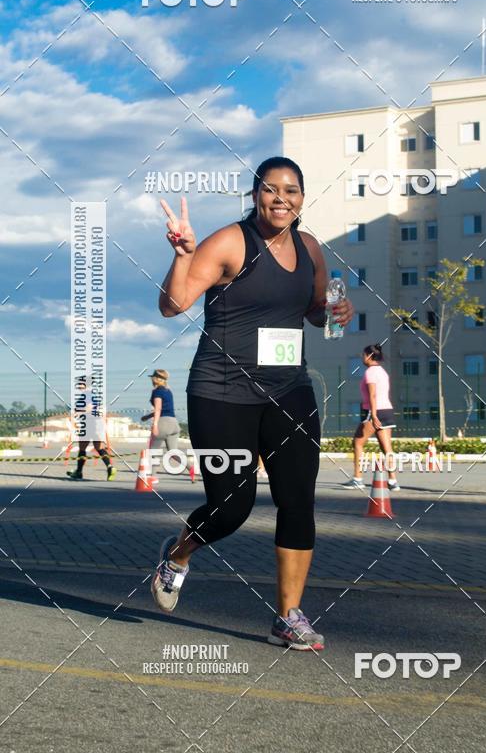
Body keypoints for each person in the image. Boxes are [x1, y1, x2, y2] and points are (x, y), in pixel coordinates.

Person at [150, 157, 354, 650]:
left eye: (292, 190)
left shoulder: (309, 248)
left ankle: (289, 616)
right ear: (255, 194)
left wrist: (333, 310)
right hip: (223, 392)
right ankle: (178, 555)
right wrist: (183, 255)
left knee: (298, 499)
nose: (281, 197)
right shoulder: (230, 242)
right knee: (230, 508)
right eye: (271, 189)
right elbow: (172, 305)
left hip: (289, 389)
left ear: (303, 198)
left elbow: (311, 310)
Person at [343, 344, 398, 491]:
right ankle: (393, 481)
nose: (362, 357)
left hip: (375, 411)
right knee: (387, 448)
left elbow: (373, 395)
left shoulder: (371, 372)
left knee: (358, 442)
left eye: (363, 354)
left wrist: (373, 415)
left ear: (369, 356)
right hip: (387, 409)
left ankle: (357, 479)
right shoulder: (382, 372)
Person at [141, 369, 190, 476]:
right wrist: (147, 416)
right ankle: (191, 468)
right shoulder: (168, 391)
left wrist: (154, 425)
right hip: (174, 423)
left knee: (153, 450)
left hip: (164, 423)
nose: (151, 380)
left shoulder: (157, 391)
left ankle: (152, 476)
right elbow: (164, 409)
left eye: (152, 377)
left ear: (156, 379)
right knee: (173, 452)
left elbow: (158, 409)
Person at [67, 376, 116, 481]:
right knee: (99, 448)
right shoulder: (93, 394)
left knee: (82, 448)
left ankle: (79, 472)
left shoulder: (87, 394)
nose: (78, 385)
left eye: (80, 383)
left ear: (85, 384)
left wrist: (77, 413)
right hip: (97, 423)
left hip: (89, 423)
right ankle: (110, 467)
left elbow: (89, 408)